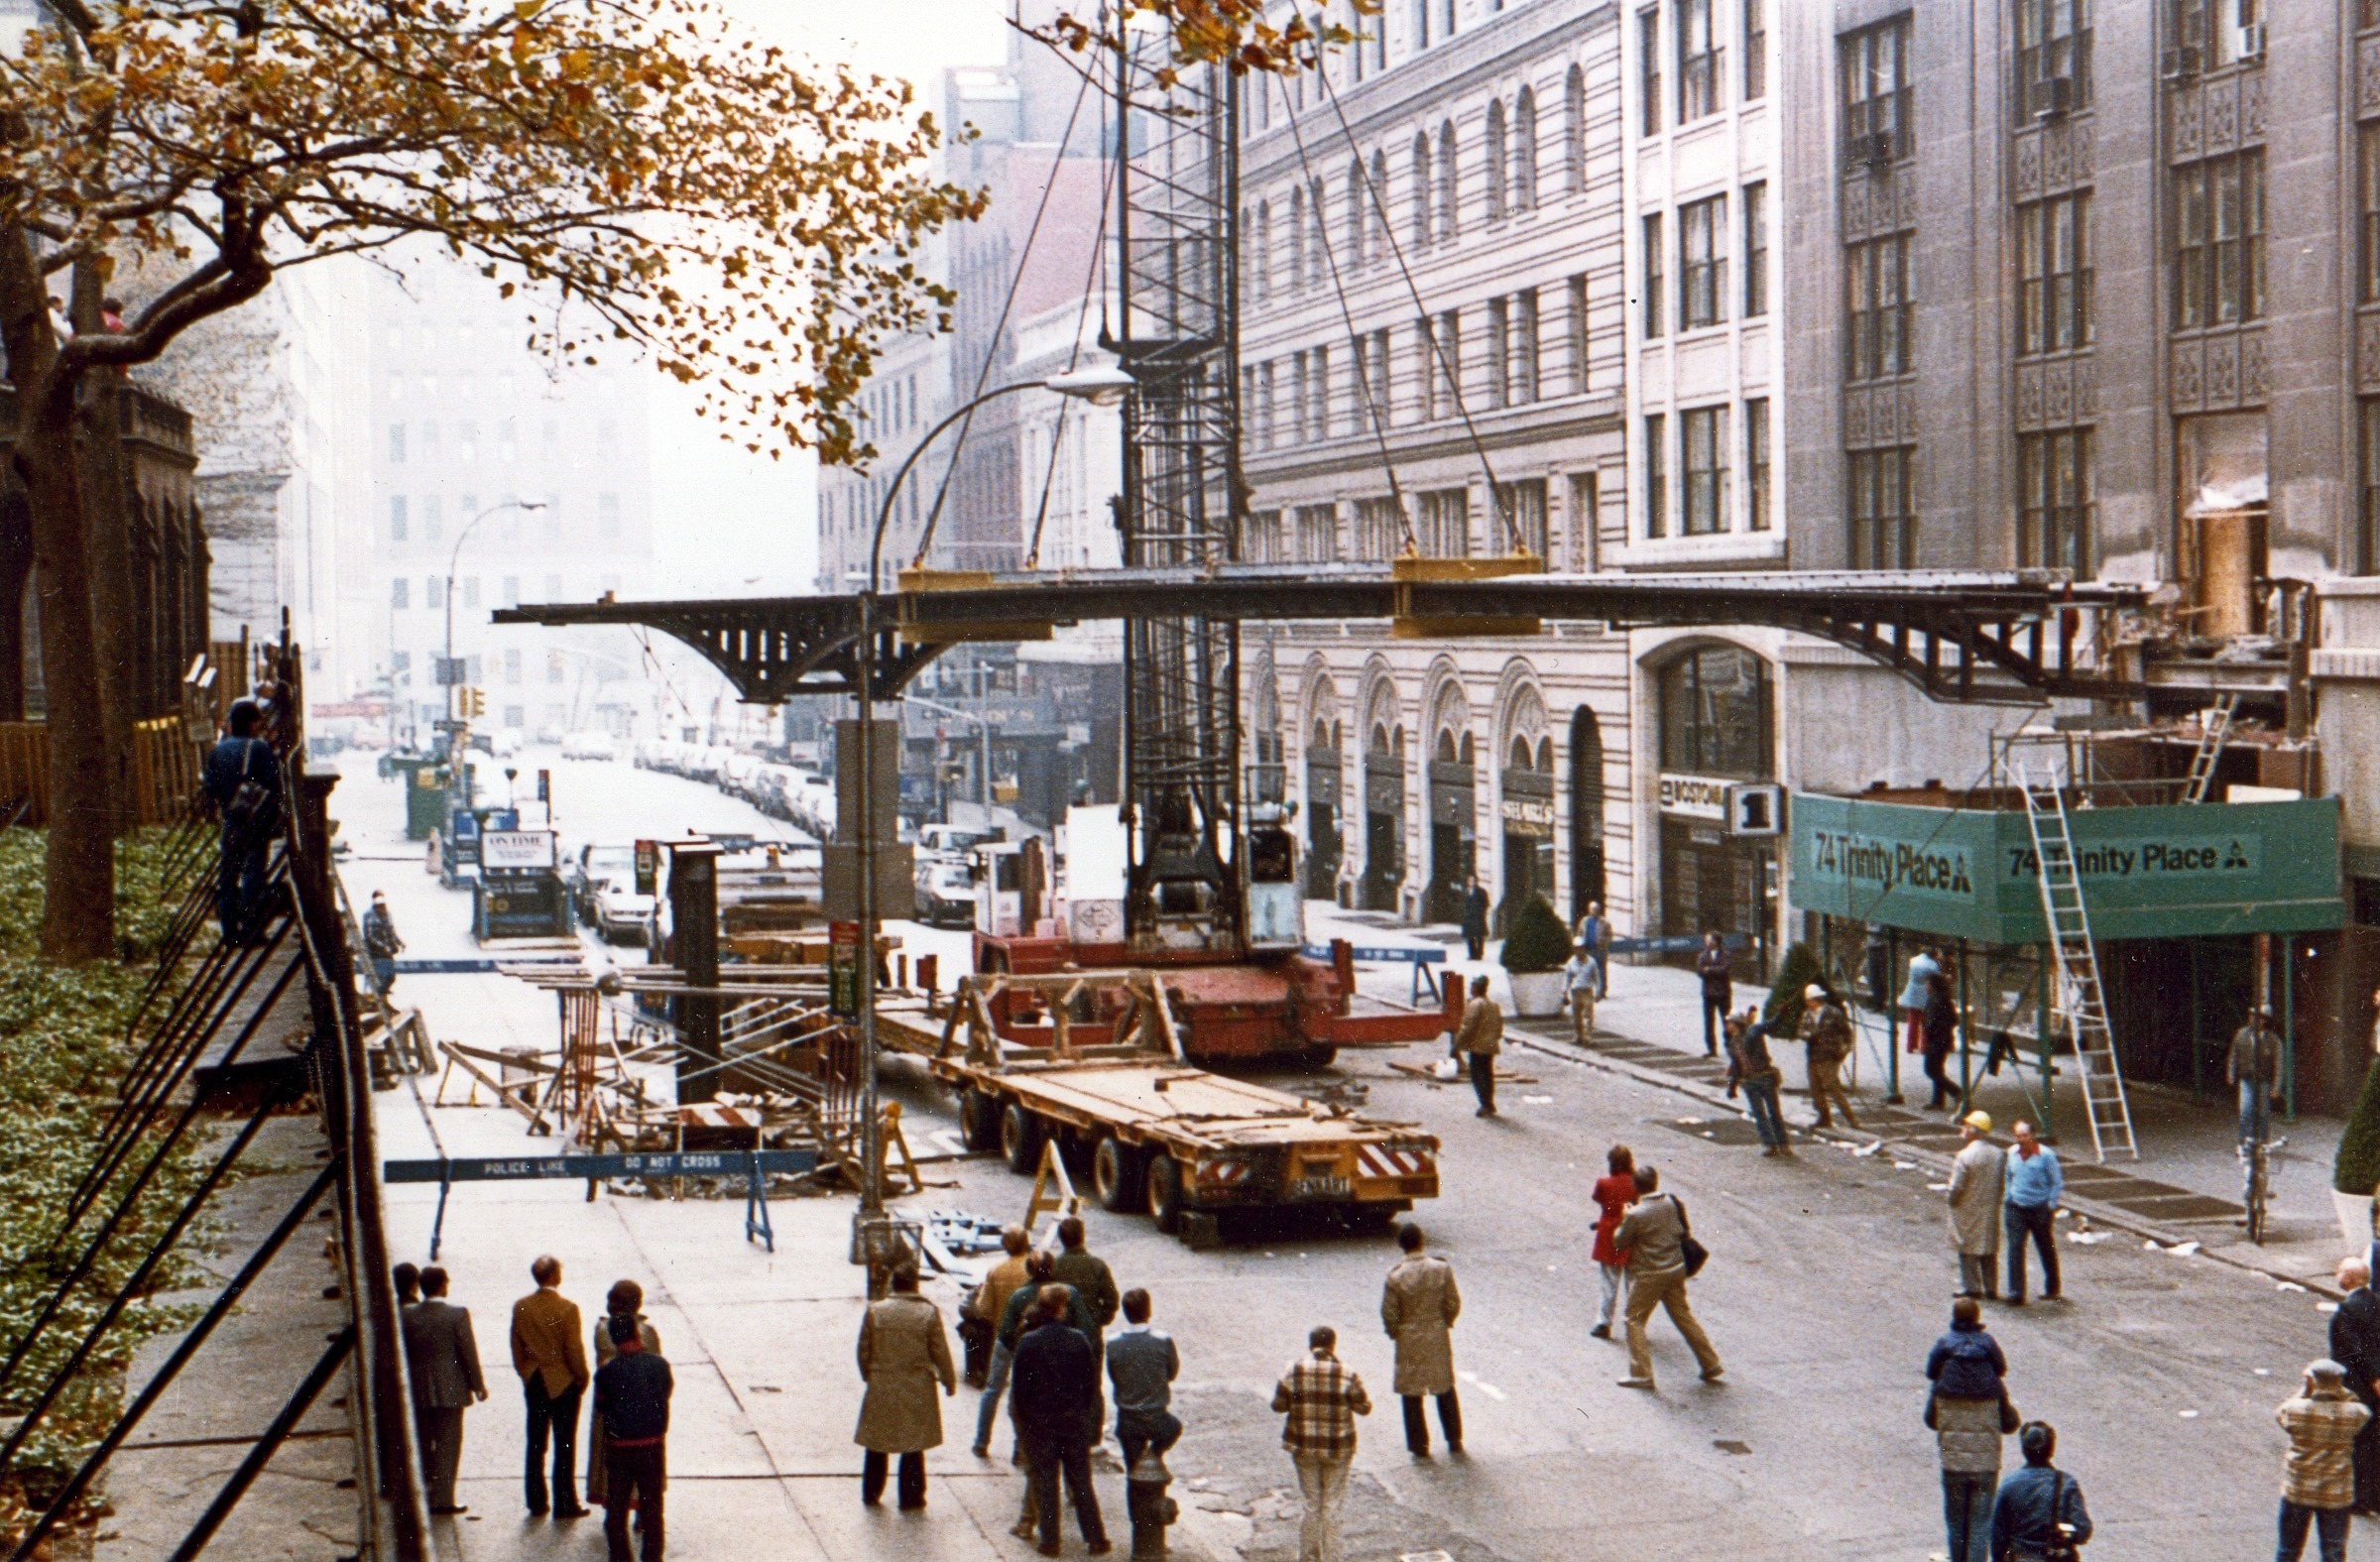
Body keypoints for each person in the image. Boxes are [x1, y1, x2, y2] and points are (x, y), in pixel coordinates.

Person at [1011, 1285, 1110, 1556]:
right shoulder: (1078, 1340)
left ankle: (1050, 1540)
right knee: (1080, 1479)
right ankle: (1096, 1537)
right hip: (1072, 1419)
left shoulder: (1028, 1343)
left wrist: (1028, 1421)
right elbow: (1091, 1384)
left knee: (1045, 1481)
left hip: (1041, 1421)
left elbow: (1019, 1390)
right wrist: (1082, 1412)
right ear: (1060, 1309)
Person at [854, 1262, 956, 1510]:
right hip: (916, 1386)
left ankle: (871, 1492)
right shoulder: (928, 1313)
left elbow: (863, 1350)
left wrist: (869, 1375)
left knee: (877, 1442)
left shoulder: (875, 1311)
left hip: (882, 1383)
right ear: (914, 1284)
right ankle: (911, 1498)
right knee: (913, 1444)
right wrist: (948, 1380)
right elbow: (940, 1351)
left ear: (892, 1284)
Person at [1611, 1165, 1724, 1390]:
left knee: (1633, 1320)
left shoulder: (1635, 1213)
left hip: (1649, 1273)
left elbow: (1619, 1242)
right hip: (1674, 1268)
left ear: (1636, 1186)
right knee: (1682, 1316)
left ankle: (1642, 1374)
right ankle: (1710, 1362)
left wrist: (1625, 1217)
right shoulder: (1670, 1202)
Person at [1272, 1324, 1370, 1562]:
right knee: (1332, 1505)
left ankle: (1307, 1557)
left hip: (1304, 1446)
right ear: (1333, 1345)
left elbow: (1279, 1405)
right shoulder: (1347, 1373)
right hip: (1337, 1448)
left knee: (1311, 1503)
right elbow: (1363, 1407)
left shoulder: (1293, 1371)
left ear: (1310, 1345)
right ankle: (1333, 1558)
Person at [1927, 1297, 2011, 1562]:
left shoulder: (1942, 1382)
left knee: (1955, 1524)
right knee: (1980, 1525)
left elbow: (1931, 1420)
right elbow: (2010, 1423)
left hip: (1953, 1462)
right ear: (1977, 1318)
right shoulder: (1995, 1386)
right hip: (1985, 1463)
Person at [401, 1265, 488, 1515]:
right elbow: (467, 1352)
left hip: (418, 1388)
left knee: (422, 1441)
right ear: (441, 1286)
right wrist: (478, 1385)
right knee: (448, 1444)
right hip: (451, 1389)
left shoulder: (407, 1314)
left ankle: (423, 1490)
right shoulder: (457, 1314)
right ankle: (442, 1498)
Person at [511, 1255, 591, 1519]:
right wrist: (582, 1376)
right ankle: (565, 1502)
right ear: (555, 1275)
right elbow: (573, 1348)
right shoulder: (567, 1308)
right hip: (561, 1380)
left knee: (535, 1441)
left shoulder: (522, 1306)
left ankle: (536, 1500)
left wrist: (525, 1373)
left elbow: (516, 1346)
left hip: (534, 1378)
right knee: (564, 1443)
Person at [593, 1310, 672, 1562]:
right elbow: (665, 1392)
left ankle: (620, 1557)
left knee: (616, 1509)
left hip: (619, 1447)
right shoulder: (659, 1364)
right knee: (652, 1507)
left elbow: (601, 1406)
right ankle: (652, 1556)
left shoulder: (606, 1372)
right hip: (652, 1445)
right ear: (638, 1333)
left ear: (614, 1340)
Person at [202, 697, 281, 945]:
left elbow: (210, 787)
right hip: (254, 820)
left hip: (230, 818)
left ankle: (229, 931)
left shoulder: (217, 750)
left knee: (228, 875)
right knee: (253, 874)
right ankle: (251, 928)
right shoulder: (258, 748)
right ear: (252, 723)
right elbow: (273, 783)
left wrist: (227, 803)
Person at [1381, 1223, 1462, 1457]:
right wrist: (1443, 1322)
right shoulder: (1441, 1269)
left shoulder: (1395, 1276)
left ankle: (1419, 1445)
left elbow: (1389, 1313)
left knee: (1412, 1392)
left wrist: (1396, 1332)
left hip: (1408, 1338)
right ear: (1421, 1240)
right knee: (1444, 1386)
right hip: (1436, 1333)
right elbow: (1453, 1303)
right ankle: (1454, 1438)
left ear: (1401, 1246)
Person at [2277, 1359, 2370, 1562]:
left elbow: (2281, 1414)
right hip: (2335, 1492)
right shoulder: (2353, 1413)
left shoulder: (2295, 1410)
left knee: (2288, 1550)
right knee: (2333, 1551)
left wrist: (2304, 1391)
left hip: (2298, 1489)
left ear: (2311, 1381)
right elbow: (2361, 1410)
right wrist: (2340, 1392)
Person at [587, 1281, 661, 1509]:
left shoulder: (602, 1331)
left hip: (612, 1411)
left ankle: (613, 1502)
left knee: (611, 1461)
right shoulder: (647, 1333)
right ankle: (641, 1506)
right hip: (644, 1412)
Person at [971, 1227, 1035, 1457]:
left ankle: (981, 1441)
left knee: (992, 1390)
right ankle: (1020, 1446)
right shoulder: (1033, 1270)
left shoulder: (996, 1270)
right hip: (1030, 1341)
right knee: (1024, 1395)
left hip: (1004, 1338)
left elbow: (983, 1310)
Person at [1990, 1421, 2091, 1561]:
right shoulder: (2066, 1484)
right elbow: (2082, 1530)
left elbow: (1997, 1537)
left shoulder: (2008, 1484)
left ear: (2024, 1449)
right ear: (2051, 1449)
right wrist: (2063, 1532)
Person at [1107, 1288, 1181, 1471]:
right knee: (1173, 1428)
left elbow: (1114, 1376)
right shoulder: (1162, 1340)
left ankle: (1143, 1469)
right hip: (1156, 1416)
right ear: (1148, 1310)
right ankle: (1152, 1458)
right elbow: (1171, 1373)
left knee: (1132, 1474)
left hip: (1128, 1418)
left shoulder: (1113, 1342)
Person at [2326, 1258, 2380, 1514]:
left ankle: (2360, 1498)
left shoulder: (2346, 1310)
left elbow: (2354, 1350)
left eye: (2339, 1271)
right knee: (2374, 1441)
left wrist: (2374, 1378)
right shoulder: (2375, 1303)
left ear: (2348, 1276)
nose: (2337, 1275)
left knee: (2358, 1442)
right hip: (2374, 1384)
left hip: (2358, 1386)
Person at [2002, 1122, 2063, 1305]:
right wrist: (2007, 1196)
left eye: (2024, 1135)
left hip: (2039, 1207)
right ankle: (2016, 1292)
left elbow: (2056, 1181)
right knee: (2015, 1248)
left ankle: (2052, 1288)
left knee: (2045, 1247)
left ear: (2032, 1135)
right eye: (2017, 1136)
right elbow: (2007, 1176)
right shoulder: (2011, 1154)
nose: (2021, 1140)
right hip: (2016, 1207)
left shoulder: (2045, 1155)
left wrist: (2050, 1205)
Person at [1948, 1113, 2004, 1301]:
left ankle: (1972, 1287)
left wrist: (1951, 1200)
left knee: (1966, 1247)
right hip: (1989, 1208)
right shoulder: (1998, 1154)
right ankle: (1991, 1287)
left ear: (1973, 1131)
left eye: (1966, 1126)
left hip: (1967, 1206)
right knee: (1988, 1247)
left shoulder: (1964, 1155)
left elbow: (1956, 1186)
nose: (1963, 1130)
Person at [1724, 1005, 1791, 1156]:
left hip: (1764, 1076)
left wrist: (1781, 1015)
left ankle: (1783, 1144)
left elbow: (1771, 1025)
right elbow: (1736, 1066)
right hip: (1749, 1082)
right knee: (1759, 1113)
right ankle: (1769, 1144)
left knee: (1774, 1111)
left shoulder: (1753, 1032)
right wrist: (1732, 1087)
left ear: (1736, 1024)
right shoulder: (1732, 1044)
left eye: (1729, 1022)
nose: (1727, 1026)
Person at [1590, 1145, 1637, 1340]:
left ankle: (1604, 1323)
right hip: (1633, 1235)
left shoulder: (1603, 1183)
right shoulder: (1636, 1183)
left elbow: (1600, 1201)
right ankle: (1635, 1322)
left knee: (1609, 1283)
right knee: (1632, 1283)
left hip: (1609, 1236)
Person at [1797, 983, 1860, 1129]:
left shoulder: (1833, 1013)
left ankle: (1851, 1119)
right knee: (1816, 1089)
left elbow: (1847, 1033)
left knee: (1831, 1087)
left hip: (1829, 1057)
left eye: (1808, 1000)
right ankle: (1824, 1117)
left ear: (1814, 1000)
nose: (1806, 1003)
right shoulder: (1807, 1015)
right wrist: (1807, 1035)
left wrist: (1843, 1050)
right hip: (1813, 1057)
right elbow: (1801, 1031)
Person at [2233, 1003, 2282, 1193]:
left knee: (2262, 1114)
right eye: (2252, 1016)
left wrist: (2276, 1086)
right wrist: (2232, 1073)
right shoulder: (2241, 1035)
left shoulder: (2272, 1040)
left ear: (2265, 1021)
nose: (2254, 1020)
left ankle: (2263, 1146)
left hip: (2262, 1082)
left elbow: (2279, 1063)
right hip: (2246, 1080)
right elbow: (2234, 1054)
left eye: (2259, 1017)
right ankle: (2242, 1145)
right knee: (2245, 1111)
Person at [1452, 974, 1502, 1118]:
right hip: (1490, 1045)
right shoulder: (1494, 1005)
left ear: (1475, 988)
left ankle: (1485, 1104)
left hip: (1477, 1046)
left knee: (1477, 1075)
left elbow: (1467, 1027)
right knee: (1487, 1074)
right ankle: (1489, 1103)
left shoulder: (1475, 1004)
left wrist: (1456, 1046)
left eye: (1472, 985)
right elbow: (1499, 1026)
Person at [1922, 970, 1959, 1112]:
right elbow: (1953, 1019)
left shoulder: (1936, 999)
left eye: (1926, 983)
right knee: (1937, 1069)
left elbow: (1930, 1021)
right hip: (1943, 1039)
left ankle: (1955, 1091)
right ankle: (1937, 1101)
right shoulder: (1943, 998)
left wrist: (1930, 1029)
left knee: (1931, 1069)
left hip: (1936, 1039)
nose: (1924, 986)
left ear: (1932, 985)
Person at [1695, 932, 1733, 1058]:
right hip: (1708, 994)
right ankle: (1712, 1049)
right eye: (1706, 940)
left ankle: (1730, 1046)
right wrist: (1712, 970)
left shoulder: (1726, 954)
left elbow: (1725, 970)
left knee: (1727, 1021)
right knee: (1709, 1023)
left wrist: (1709, 970)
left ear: (1715, 942)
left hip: (1723, 994)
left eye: (1709, 940)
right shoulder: (1703, 955)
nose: (1706, 942)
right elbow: (1700, 971)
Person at [363, 891, 405, 998]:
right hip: (376, 952)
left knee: (390, 977)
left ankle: (382, 995)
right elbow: (370, 936)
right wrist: (383, 946)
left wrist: (399, 942)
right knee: (380, 977)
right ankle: (377, 997)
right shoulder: (370, 916)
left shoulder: (387, 914)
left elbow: (391, 931)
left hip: (387, 951)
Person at [1902, 946, 1942, 1056]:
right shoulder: (1933, 965)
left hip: (1912, 992)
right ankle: (1924, 1047)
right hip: (1925, 994)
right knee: (1926, 1022)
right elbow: (1937, 978)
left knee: (1912, 1021)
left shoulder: (1913, 960)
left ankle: (1910, 1045)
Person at [1564, 941, 1601, 1043]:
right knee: (1576, 1015)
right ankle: (1578, 1036)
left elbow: (1596, 977)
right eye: (1576, 948)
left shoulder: (1591, 962)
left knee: (1588, 1014)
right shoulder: (1571, 962)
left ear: (1584, 949)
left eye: (1581, 948)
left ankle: (1588, 1036)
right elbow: (1567, 978)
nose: (1579, 951)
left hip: (1587, 990)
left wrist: (1598, 991)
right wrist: (1564, 992)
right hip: (1575, 991)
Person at [1575, 901, 1612, 977]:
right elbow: (1580, 933)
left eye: (1595, 909)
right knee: (1587, 969)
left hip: (1599, 950)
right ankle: (1589, 986)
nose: (1594, 910)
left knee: (1601, 970)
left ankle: (1602, 987)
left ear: (1598, 909)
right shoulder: (1585, 921)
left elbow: (1609, 935)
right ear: (1589, 910)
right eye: (1592, 909)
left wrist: (1605, 945)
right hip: (1588, 949)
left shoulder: (1604, 922)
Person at [1459, 876, 1489, 962]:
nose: (1471, 882)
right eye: (1470, 880)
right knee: (1470, 936)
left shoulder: (1481, 891)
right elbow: (1463, 903)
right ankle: (1471, 954)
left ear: (1476, 881)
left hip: (1478, 917)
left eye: (1473, 880)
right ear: (1468, 881)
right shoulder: (1466, 891)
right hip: (1468, 917)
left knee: (1479, 936)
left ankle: (1479, 954)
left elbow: (1486, 903)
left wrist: (1481, 912)